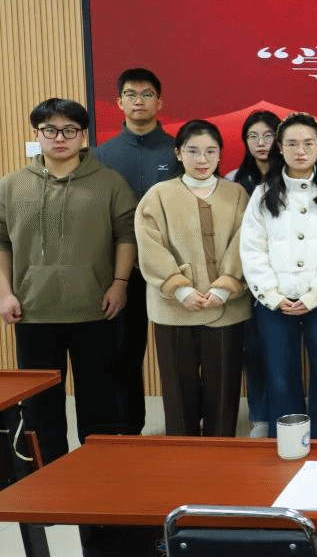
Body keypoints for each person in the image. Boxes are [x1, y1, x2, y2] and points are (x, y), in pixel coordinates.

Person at [0, 99, 136, 462]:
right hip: (33, 312)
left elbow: (126, 235)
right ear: (36, 134)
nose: (60, 138)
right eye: (50, 130)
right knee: (40, 407)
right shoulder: (11, 185)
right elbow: (2, 243)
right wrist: (5, 294)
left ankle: (97, 472)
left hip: (96, 310)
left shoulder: (109, 182)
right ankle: (49, 473)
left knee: (99, 402)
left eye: (69, 130)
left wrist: (120, 283)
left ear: (83, 135)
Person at [135, 120, 250, 437]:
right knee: (177, 389)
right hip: (173, 309)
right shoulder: (158, 195)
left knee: (223, 389)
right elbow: (150, 245)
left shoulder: (237, 194)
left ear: (220, 154)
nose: (202, 159)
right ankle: (182, 452)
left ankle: (220, 450)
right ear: (178, 153)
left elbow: (245, 242)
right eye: (193, 151)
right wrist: (179, 288)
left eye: (210, 151)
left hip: (226, 308)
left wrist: (226, 286)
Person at [240, 113, 317, 439]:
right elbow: (252, 248)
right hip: (275, 302)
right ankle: (288, 443)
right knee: (280, 376)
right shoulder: (263, 193)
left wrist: (316, 293)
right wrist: (272, 295)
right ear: (280, 147)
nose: (300, 151)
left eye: (308, 143)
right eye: (291, 144)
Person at [94, 67, 178, 436]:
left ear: (160, 102)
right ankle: (129, 429)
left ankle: (187, 426)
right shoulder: (101, 155)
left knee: (179, 352)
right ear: (119, 102)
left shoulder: (178, 150)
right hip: (123, 272)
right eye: (131, 94)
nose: (139, 101)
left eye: (147, 94)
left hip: (173, 269)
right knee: (124, 351)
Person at [225, 109, 280, 437]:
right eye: (253, 136)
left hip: (287, 277)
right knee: (254, 350)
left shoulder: (292, 175)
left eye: (268, 135)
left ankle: (288, 413)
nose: (261, 143)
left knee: (284, 354)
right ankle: (260, 415)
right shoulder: (233, 180)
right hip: (246, 279)